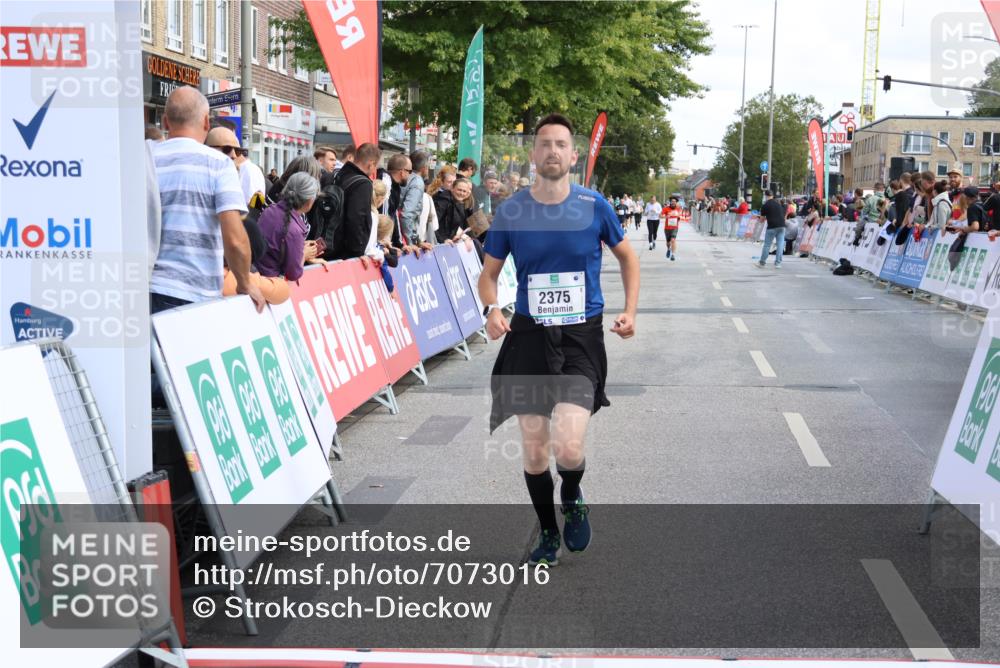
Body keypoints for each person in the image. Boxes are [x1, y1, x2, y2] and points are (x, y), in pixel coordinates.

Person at [478, 113, 639, 566]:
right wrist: (492, 309)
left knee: (568, 447)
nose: (552, 150)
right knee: (534, 451)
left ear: (573, 154)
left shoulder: (594, 206)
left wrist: (629, 311)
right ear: (533, 154)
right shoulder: (512, 210)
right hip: (529, 335)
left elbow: (628, 258)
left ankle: (572, 494)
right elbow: (487, 276)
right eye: (544, 143)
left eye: (561, 144)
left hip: (580, 337)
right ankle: (548, 533)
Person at [150, 86, 264, 314]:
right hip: (192, 292)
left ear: (165, 121)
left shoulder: (146, 158)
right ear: (205, 122)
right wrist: (245, 283)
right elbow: (234, 238)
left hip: (143, 288)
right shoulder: (218, 164)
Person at [256, 172, 320, 282]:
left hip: (256, 273)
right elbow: (293, 274)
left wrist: (299, 246)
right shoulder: (294, 230)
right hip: (270, 282)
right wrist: (303, 254)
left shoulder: (270, 209)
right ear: (310, 201)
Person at [331, 142, 380, 260]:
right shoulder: (363, 183)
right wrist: (357, 252)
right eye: (375, 167)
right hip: (347, 253)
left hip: (330, 244)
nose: (374, 171)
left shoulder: (337, 175)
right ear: (371, 164)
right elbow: (356, 218)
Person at [434, 176, 473, 243]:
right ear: (452, 188)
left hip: (450, 242)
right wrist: (443, 240)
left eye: (464, 191)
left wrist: (459, 236)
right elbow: (433, 223)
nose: (461, 193)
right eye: (459, 190)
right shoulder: (444, 200)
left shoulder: (460, 203)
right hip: (438, 243)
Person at [754, 190, 785, 268]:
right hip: (782, 226)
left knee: (767, 245)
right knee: (780, 245)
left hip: (772, 227)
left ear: (765, 196)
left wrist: (759, 218)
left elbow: (761, 220)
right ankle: (778, 263)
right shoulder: (778, 204)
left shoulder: (765, 205)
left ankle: (762, 263)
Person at [661, 196, 681, 260]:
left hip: (675, 227)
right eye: (672, 201)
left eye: (674, 202)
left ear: (676, 203)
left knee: (673, 240)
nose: (673, 203)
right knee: (668, 242)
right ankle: (668, 249)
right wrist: (665, 216)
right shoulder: (666, 208)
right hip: (667, 228)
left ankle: (673, 255)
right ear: (670, 202)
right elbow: (660, 215)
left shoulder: (678, 209)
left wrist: (678, 217)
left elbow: (680, 216)